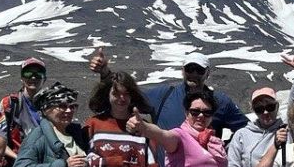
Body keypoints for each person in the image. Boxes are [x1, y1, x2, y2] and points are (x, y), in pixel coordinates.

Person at [90, 48, 248, 135]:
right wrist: (105, 73)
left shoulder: (220, 101)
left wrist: (226, 150)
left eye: (199, 70)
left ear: (207, 73)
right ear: (182, 70)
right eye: (189, 69)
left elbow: (245, 130)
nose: (193, 74)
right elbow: (127, 95)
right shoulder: (164, 95)